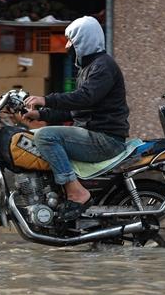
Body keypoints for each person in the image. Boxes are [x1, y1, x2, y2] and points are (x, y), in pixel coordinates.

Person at [22, 16, 130, 219]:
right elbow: (74, 111)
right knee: (29, 137)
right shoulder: (87, 68)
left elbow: (84, 98)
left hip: (105, 139)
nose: (67, 45)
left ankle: (76, 192)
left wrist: (46, 100)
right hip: (91, 135)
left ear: (84, 39)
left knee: (46, 137)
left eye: (71, 39)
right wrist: (40, 114)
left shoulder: (103, 66)